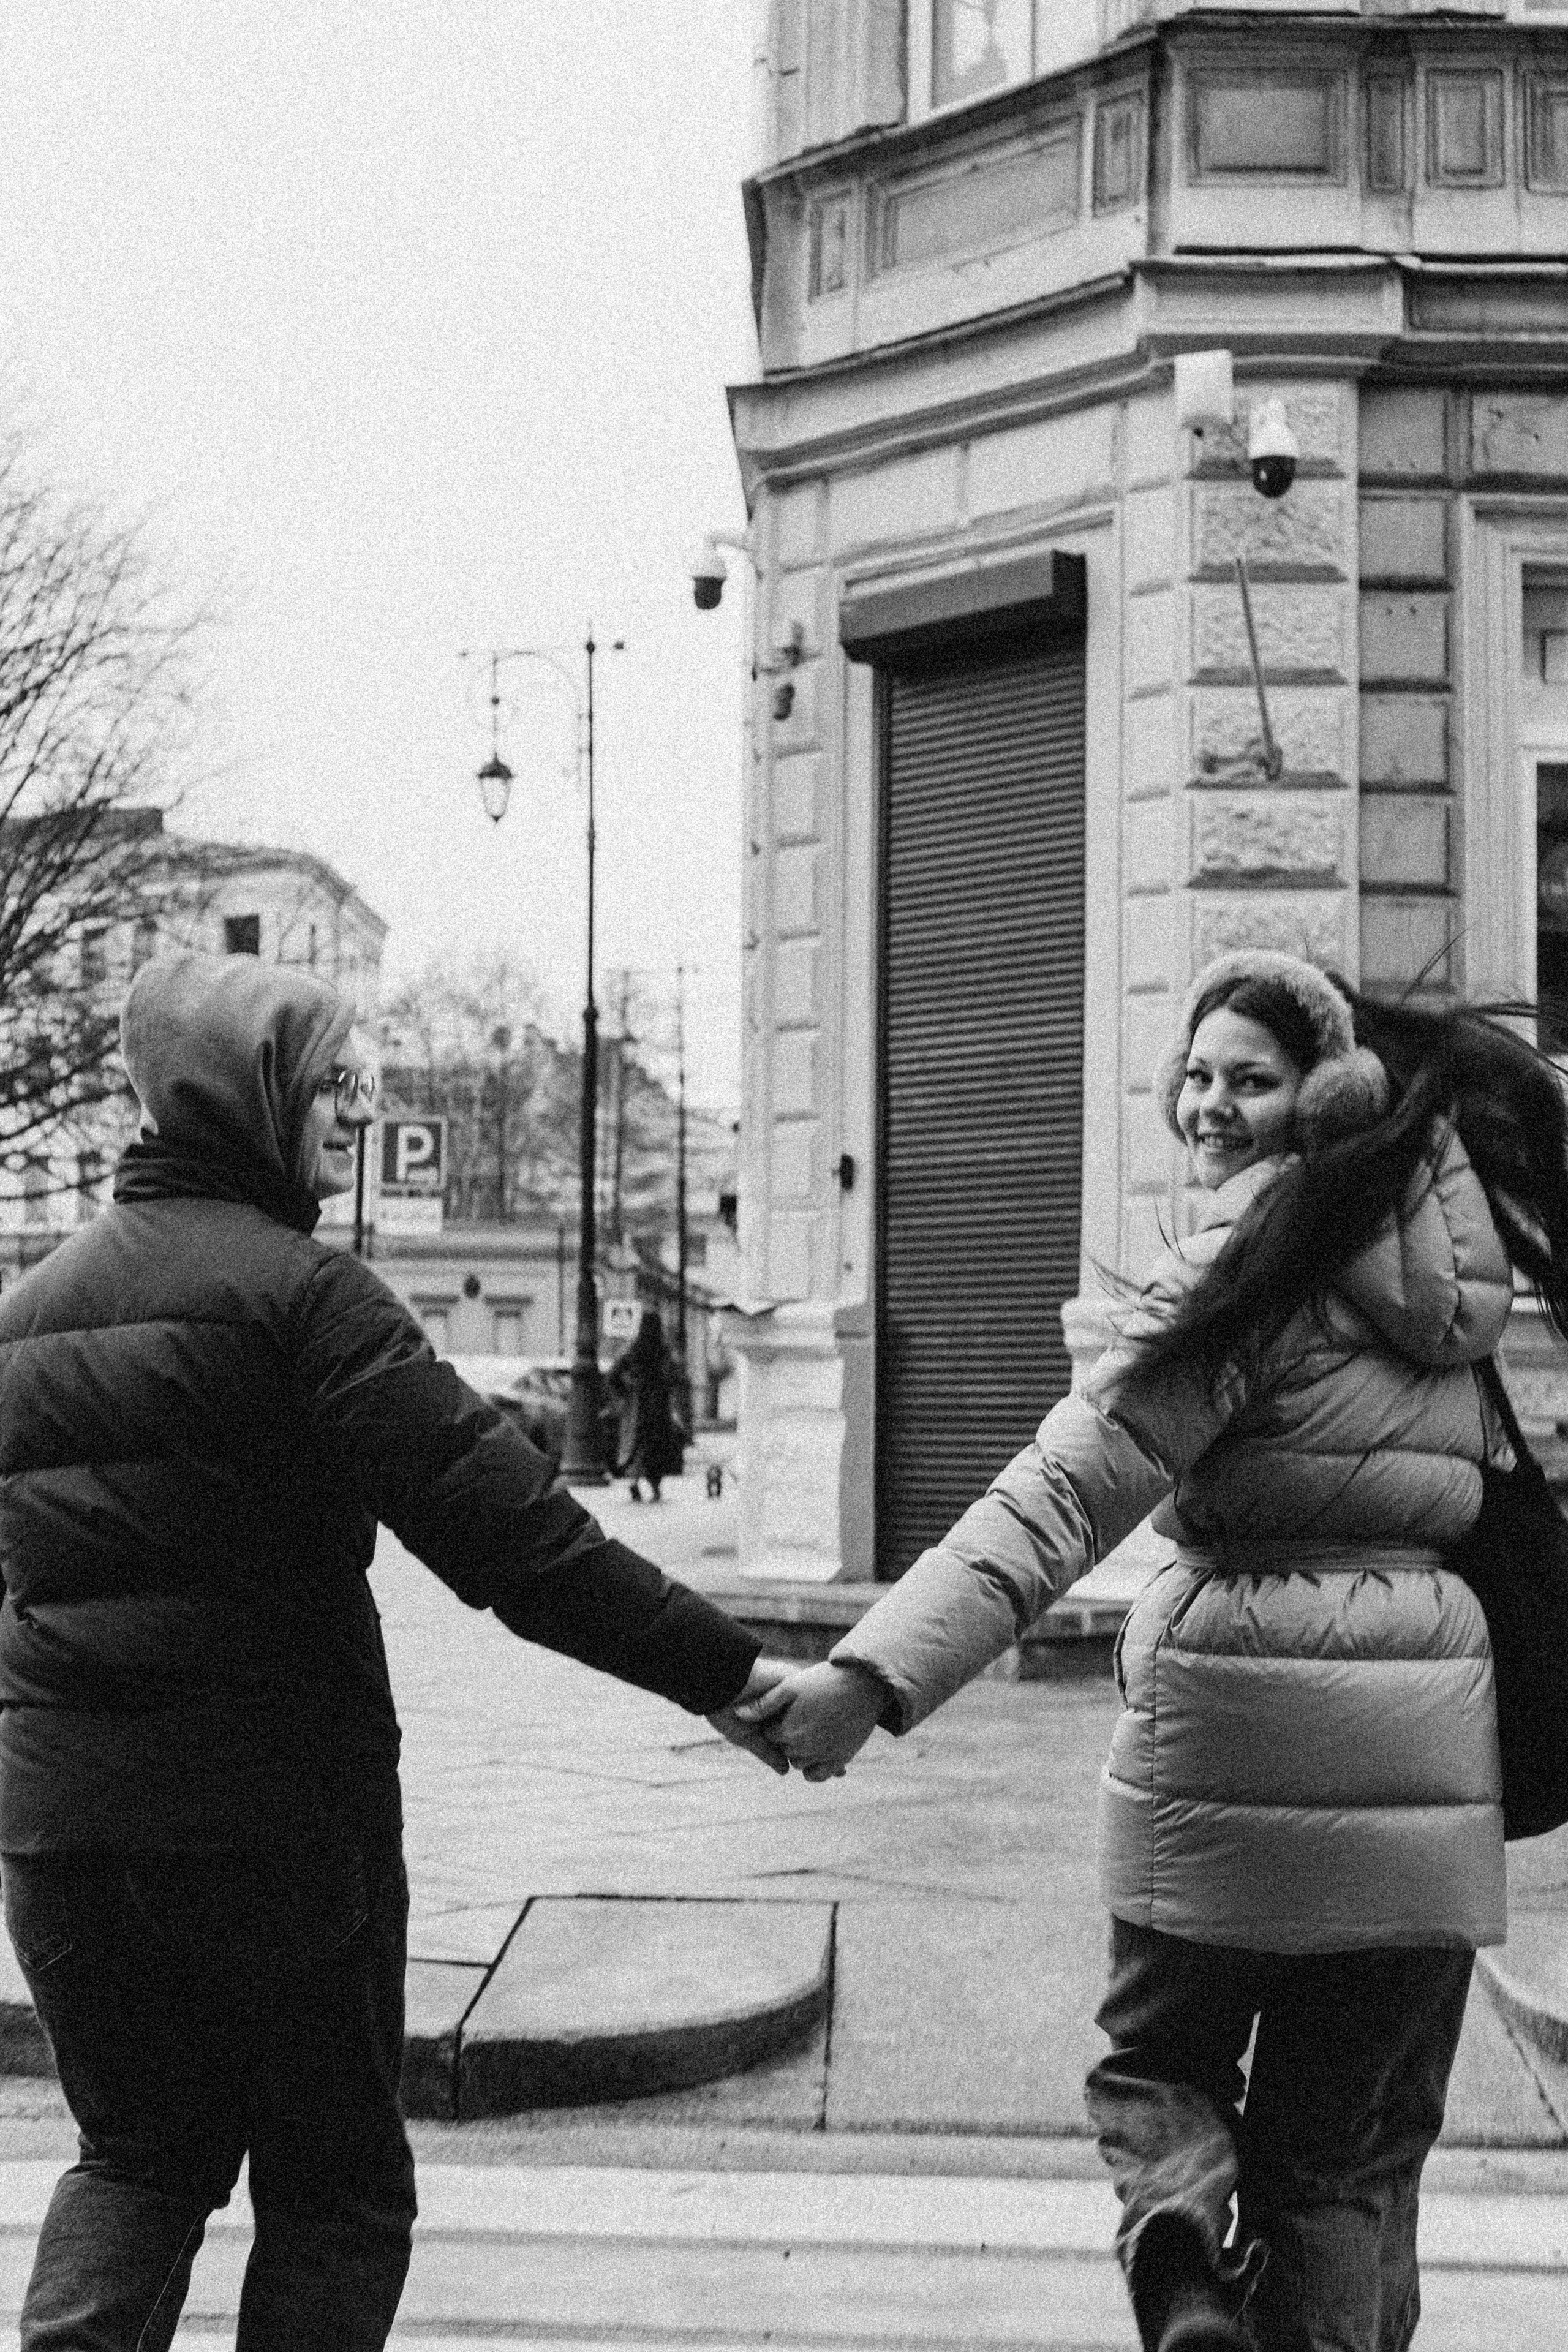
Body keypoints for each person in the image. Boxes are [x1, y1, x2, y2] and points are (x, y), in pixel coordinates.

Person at [742, 949, 1568, 2352]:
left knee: (1155, 2060)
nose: (1205, 1103)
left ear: (1328, 1095)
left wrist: (872, 1675)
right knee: (1349, 2159)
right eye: (1191, 1074)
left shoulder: (1245, 1272)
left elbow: (1062, 1490)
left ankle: (1179, 2261)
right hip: (1427, 1765)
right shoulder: (1461, 1296)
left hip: (1225, 1731)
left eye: (1246, 1078)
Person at [0, 954, 789, 2352]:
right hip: (273, 1826)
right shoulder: (309, 1297)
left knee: (133, 2156)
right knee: (336, 2189)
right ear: (253, 1093)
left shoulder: (21, 1322)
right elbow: (519, 1542)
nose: (355, 1112)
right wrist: (728, 1676)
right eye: (333, 1081)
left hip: (60, 1836)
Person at [608, 1307, 685, 1502]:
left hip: (638, 1404)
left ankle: (634, 1483)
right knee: (657, 1447)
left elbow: (614, 1373)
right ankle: (656, 1488)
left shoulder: (634, 1348)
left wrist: (625, 1392)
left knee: (636, 1446)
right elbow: (676, 1377)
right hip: (659, 1406)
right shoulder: (664, 1350)